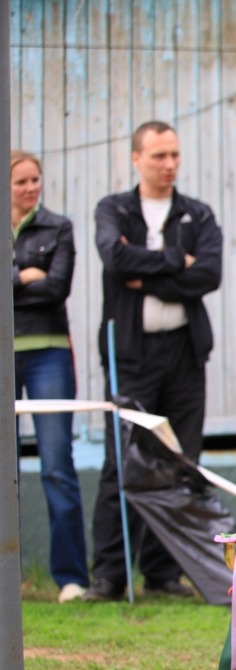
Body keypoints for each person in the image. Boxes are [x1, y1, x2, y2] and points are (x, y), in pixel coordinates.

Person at [81, 121, 223, 602]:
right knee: (121, 461)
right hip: (131, 355)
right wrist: (174, 263)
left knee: (182, 460)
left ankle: (163, 574)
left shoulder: (196, 214)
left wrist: (148, 268)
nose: (169, 165)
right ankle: (109, 576)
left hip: (184, 353)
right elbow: (114, 262)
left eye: (175, 155)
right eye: (159, 155)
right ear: (136, 158)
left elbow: (208, 274)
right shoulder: (114, 209)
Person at [10, 150, 90, 603]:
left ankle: (71, 577)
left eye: (35, 180)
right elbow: (37, 285)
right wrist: (24, 277)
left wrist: (18, 282)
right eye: (21, 181)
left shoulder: (57, 227)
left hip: (49, 356)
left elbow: (57, 287)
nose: (31, 188)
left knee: (57, 463)